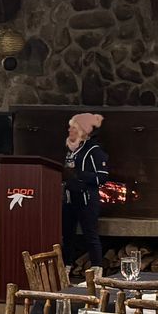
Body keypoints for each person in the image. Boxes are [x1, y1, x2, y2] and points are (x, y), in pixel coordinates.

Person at [62, 111, 108, 273]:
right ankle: (66, 268)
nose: (69, 130)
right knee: (67, 235)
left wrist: (79, 175)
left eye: (73, 128)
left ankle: (97, 271)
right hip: (69, 198)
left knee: (90, 235)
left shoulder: (94, 150)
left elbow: (102, 177)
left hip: (87, 200)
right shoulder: (70, 149)